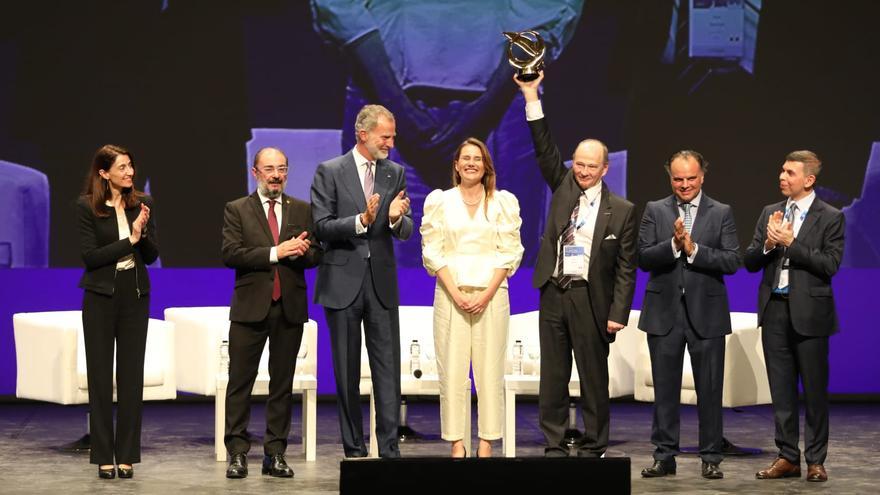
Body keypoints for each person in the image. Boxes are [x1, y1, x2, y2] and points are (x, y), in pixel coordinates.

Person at [514, 72, 637, 457]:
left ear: (604, 169)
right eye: (578, 164)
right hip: (554, 291)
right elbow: (544, 147)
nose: (582, 171)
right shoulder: (564, 184)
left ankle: (594, 442)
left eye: (590, 167)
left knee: (592, 375)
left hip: (591, 298)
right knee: (553, 375)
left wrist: (619, 312)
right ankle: (553, 441)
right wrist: (531, 95)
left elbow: (626, 267)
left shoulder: (622, 211)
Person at [311, 104, 413, 458]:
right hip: (342, 283)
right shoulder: (330, 171)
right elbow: (321, 226)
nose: (391, 142)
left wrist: (397, 218)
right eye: (386, 136)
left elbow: (404, 229)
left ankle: (389, 450)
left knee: (387, 370)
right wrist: (362, 219)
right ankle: (354, 448)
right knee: (347, 371)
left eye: (393, 136)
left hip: (381, 283)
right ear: (363, 134)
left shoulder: (394, 173)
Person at [636, 150, 741, 480]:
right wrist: (672, 245)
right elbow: (643, 256)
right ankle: (664, 456)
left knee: (709, 390)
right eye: (678, 179)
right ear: (670, 178)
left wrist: (693, 249)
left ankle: (711, 456)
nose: (684, 185)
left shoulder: (720, 212)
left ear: (702, 176)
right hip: (664, 311)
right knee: (664, 391)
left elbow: (732, 260)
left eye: (691, 178)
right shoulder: (656, 209)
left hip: (706, 312)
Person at [221, 147, 322, 479]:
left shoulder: (302, 209)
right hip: (251, 307)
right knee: (240, 383)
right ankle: (237, 452)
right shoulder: (237, 209)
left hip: (288, 307)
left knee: (282, 384)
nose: (276, 174)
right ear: (256, 173)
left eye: (281, 169)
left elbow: (316, 255)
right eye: (269, 169)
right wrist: (276, 253)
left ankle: (275, 454)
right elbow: (232, 254)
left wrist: (304, 251)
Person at [420, 137, 524, 458]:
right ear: (456, 165)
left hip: (492, 296)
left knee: (490, 370)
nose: (471, 163)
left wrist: (485, 294)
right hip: (451, 296)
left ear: (486, 166)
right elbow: (433, 252)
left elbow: (509, 253)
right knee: (451, 371)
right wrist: (457, 293)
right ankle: (457, 443)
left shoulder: (503, 202)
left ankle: (487, 443)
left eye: (477, 159)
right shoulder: (440, 201)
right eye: (465, 158)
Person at [745, 150, 844, 483]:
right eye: (781, 171)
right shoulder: (769, 212)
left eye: (789, 172)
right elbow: (750, 260)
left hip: (811, 313)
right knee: (782, 390)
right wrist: (770, 245)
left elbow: (829, 264)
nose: (782, 177)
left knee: (814, 391)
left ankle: (815, 459)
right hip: (775, 309)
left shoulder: (830, 216)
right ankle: (787, 456)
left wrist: (793, 243)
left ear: (809, 179)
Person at [76, 144, 158, 479]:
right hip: (100, 296)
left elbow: (151, 256)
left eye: (131, 167)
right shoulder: (87, 207)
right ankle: (102, 456)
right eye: (122, 168)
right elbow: (91, 257)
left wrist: (143, 233)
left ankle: (126, 455)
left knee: (131, 377)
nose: (129, 173)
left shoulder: (142, 203)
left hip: (134, 294)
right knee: (99, 378)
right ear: (104, 172)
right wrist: (130, 240)